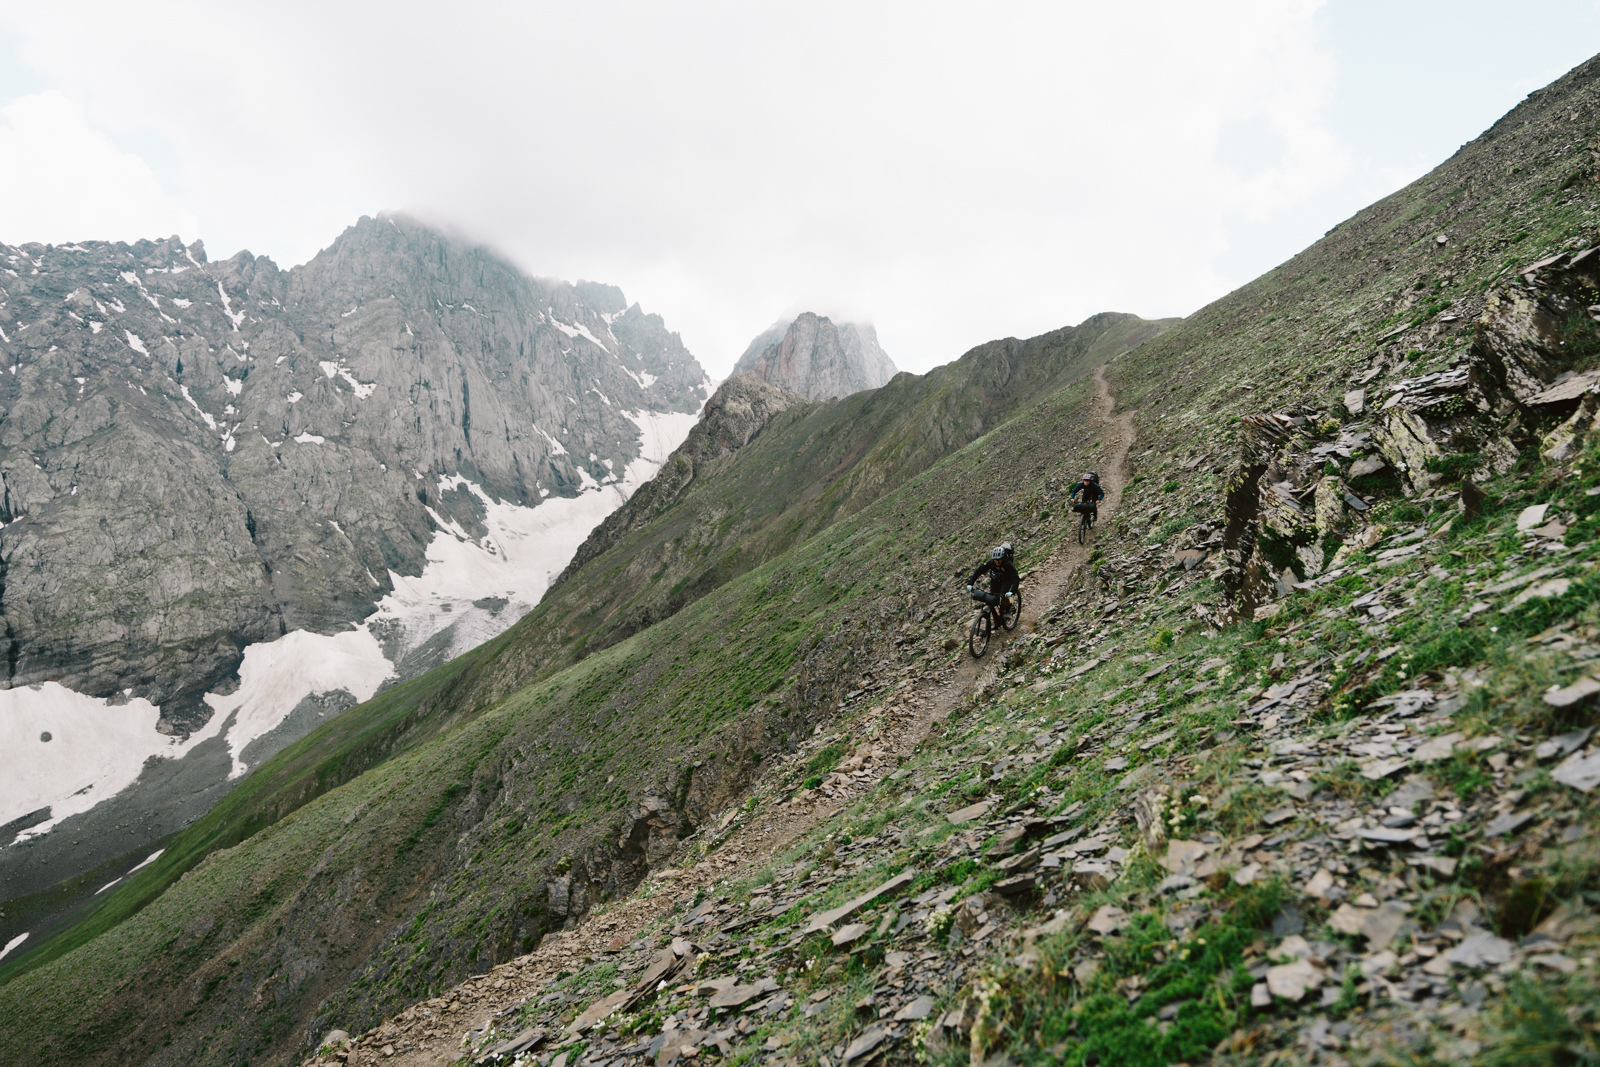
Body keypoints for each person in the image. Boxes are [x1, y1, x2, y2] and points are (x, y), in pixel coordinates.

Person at [967, 542, 1020, 627]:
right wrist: (970, 583)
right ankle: (997, 622)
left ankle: (1008, 608)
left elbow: (1015, 578)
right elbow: (979, 571)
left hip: (1006, 580)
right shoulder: (991, 562)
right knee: (991, 601)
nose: (997, 562)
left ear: (1003, 558)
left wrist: (1012, 591)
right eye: (995, 560)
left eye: (999, 560)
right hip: (995, 580)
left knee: (1003, 595)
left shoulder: (1008, 565)